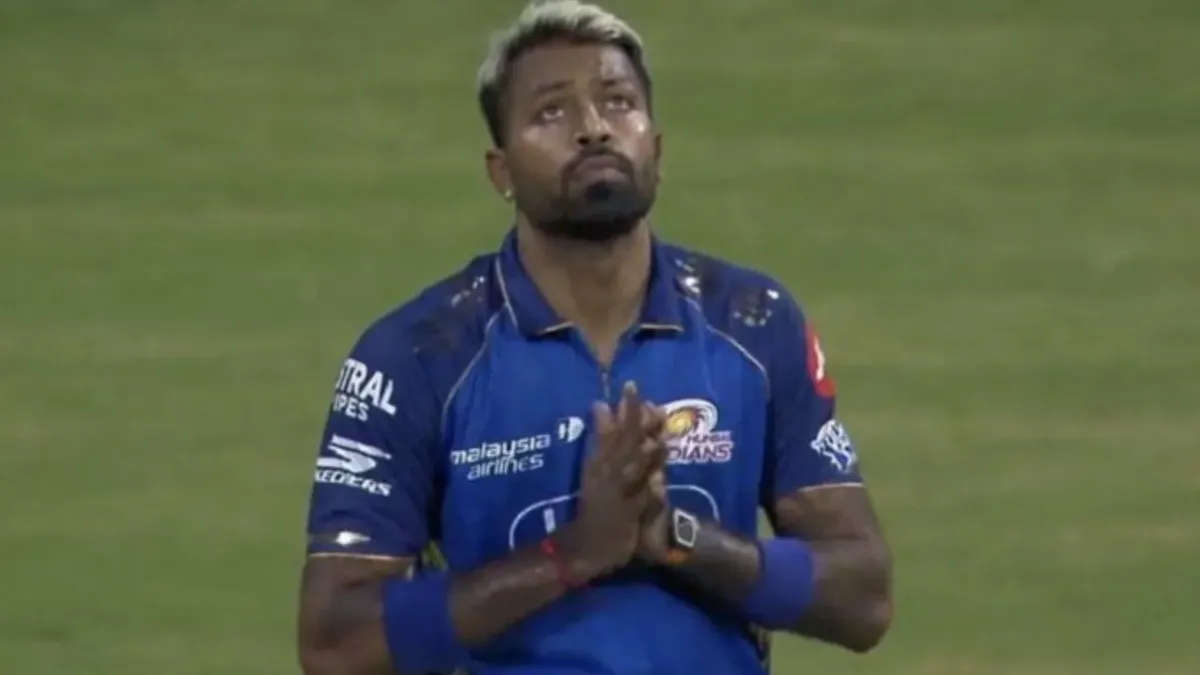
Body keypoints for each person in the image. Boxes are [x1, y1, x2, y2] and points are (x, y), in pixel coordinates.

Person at [296, 1, 893, 674]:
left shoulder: (753, 323)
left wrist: (677, 538)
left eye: (618, 102)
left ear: (657, 150)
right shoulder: (413, 356)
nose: (593, 128)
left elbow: (863, 597)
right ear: (500, 172)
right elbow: (335, 642)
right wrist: (575, 553)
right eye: (551, 111)